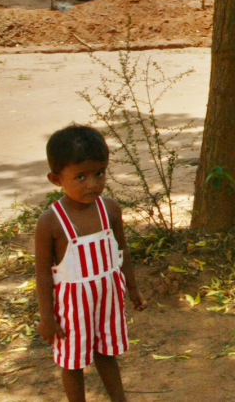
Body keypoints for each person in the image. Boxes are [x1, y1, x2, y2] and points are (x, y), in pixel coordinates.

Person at [34, 125, 145, 402]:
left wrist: (132, 288)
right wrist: (47, 318)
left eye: (99, 173)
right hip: (72, 308)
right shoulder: (51, 222)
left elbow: (122, 251)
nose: (93, 184)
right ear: (56, 179)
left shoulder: (110, 209)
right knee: (73, 363)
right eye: (80, 177)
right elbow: (43, 275)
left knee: (106, 353)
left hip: (107, 299)